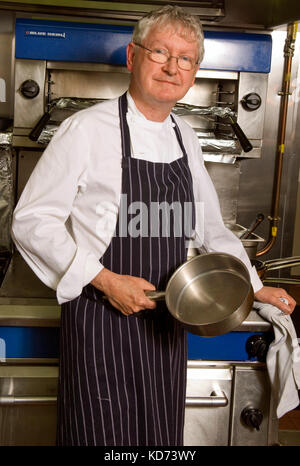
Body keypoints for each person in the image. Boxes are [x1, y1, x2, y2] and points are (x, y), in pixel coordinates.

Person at [12, 5, 296, 446]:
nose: (172, 67)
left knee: (158, 438)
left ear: (194, 70)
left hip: (166, 323)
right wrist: (105, 280)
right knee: (100, 436)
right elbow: (32, 221)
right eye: (160, 52)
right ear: (132, 57)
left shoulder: (185, 136)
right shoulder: (85, 130)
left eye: (185, 58)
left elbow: (210, 229)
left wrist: (253, 285)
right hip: (100, 321)